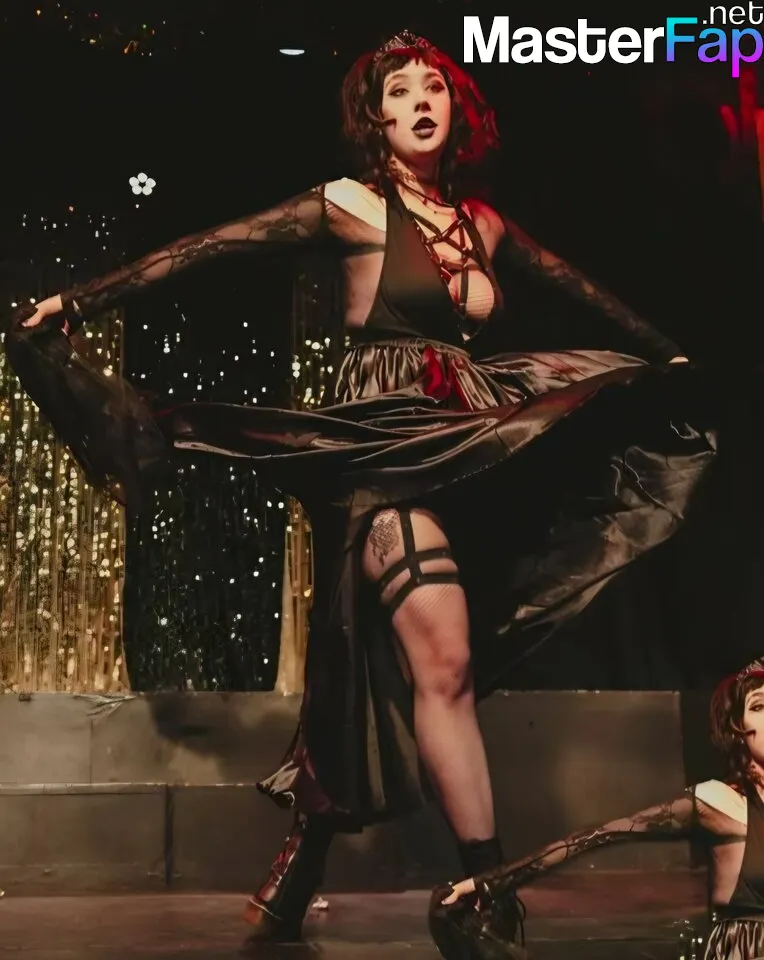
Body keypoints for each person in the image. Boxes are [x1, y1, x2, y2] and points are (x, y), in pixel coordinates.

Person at [6, 30, 716, 943]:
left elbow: (577, 289)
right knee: (441, 660)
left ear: (457, 111)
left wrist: (667, 354)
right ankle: (484, 892)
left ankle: (312, 853)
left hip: (466, 449)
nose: (422, 101)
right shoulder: (349, 205)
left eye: (436, 88)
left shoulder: (483, 224)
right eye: (401, 91)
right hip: (379, 454)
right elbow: (210, 248)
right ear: (374, 117)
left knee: (382, 673)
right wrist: (80, 300)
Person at [433, 657, 764, 960]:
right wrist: (489, 882)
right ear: (737, 727)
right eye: (759, 706)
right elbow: (594, 837)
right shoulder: (718, 802)